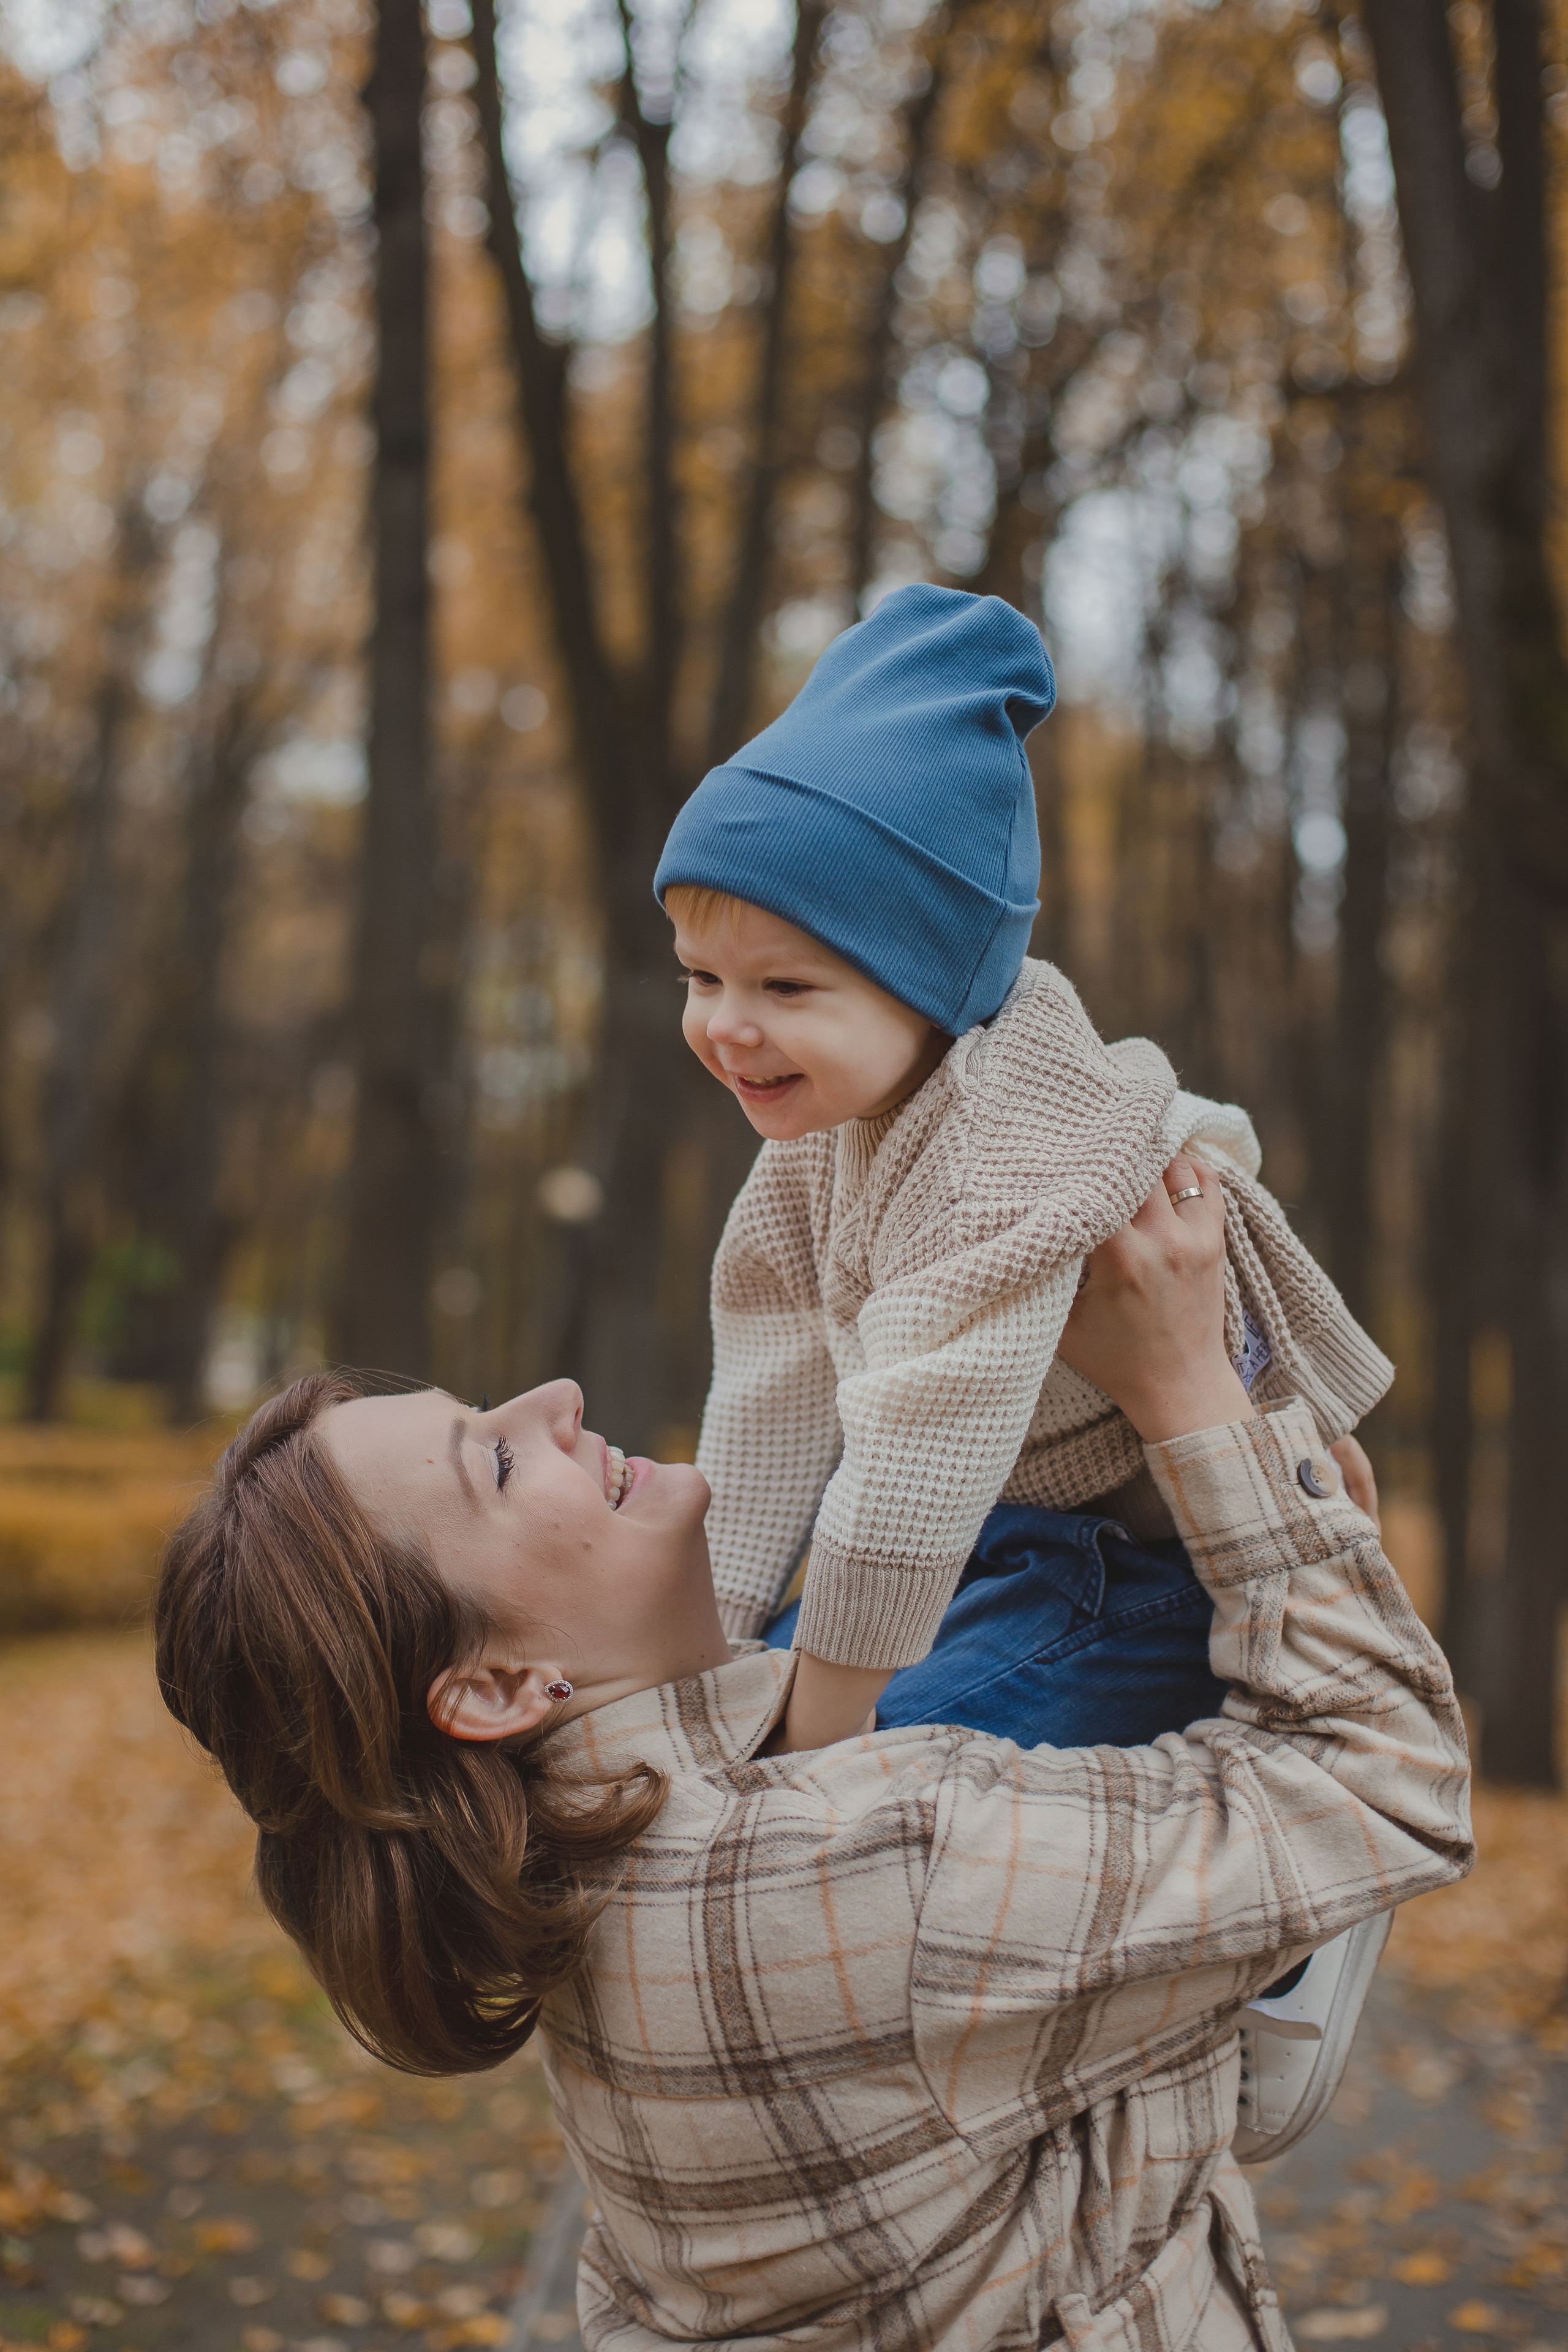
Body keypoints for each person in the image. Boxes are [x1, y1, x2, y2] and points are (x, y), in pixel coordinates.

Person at [154, 1168, 1473, 2352]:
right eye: (495, 1462)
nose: (553, 1400)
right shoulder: (860, 1864)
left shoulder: (594, 1847)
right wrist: (1194, 1393)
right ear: (499, 1688)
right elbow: (1391, 1779)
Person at [652, 585, 1392, 1765]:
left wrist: (815, 1747)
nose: (728, 1028)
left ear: (934, 982)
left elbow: (911, 1467)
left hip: (1162, 1567)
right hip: (1006, 1545)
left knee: (852, 1772)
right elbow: (764, 1411)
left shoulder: (1013, 1148)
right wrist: (704, 1655)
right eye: (701, 977)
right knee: (728, 1719)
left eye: (786, 989)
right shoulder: (821, 1146)